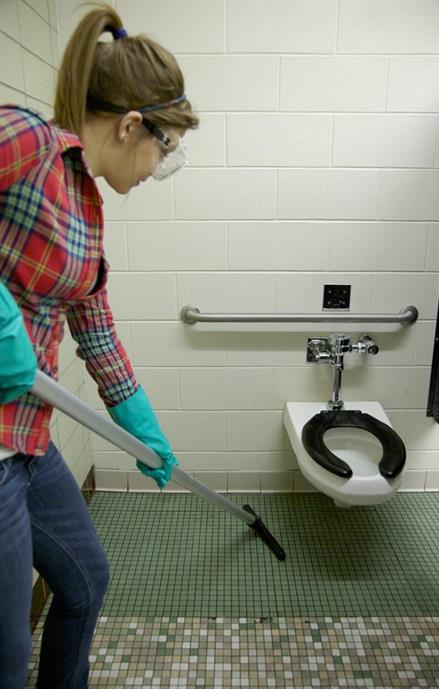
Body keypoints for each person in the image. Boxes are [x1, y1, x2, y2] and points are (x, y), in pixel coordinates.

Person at [0, 3, 199, 688]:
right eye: (165, 149)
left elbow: (95, 325)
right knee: (5, 660)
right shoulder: (26, 141)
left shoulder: (85, 201)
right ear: (130, 124)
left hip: (28, 435)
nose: (159, 167)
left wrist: (140, 421)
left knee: (84, 581)